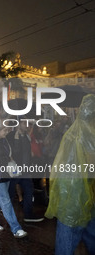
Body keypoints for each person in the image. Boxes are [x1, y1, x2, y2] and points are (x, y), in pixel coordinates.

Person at [45, 94, 95, 255]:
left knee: (68, 235)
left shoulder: (72, 132)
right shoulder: (89, 135)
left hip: (69, 192)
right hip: (81, 194)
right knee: (78, 234)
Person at [0, 125, 27, 238]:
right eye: (4, 130)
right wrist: (7, 159)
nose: (7, 132)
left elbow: (14, 152)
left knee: (0, 202)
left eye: (7, 130)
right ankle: (16, 229)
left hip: (6, 174)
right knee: (6, 202)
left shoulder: (4, 141)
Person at [7, 118, 44, 222]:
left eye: (29, 123)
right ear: (18, 124)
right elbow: (14, 152)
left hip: (25, 171)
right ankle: (7, 217)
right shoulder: (11, 136)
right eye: (25, 123)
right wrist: (17, 139)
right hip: (15, 171)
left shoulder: (27, 136)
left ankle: (28, 214)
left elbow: (28, 152)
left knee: (29, 191)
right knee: (9, 195)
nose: (27, 125)